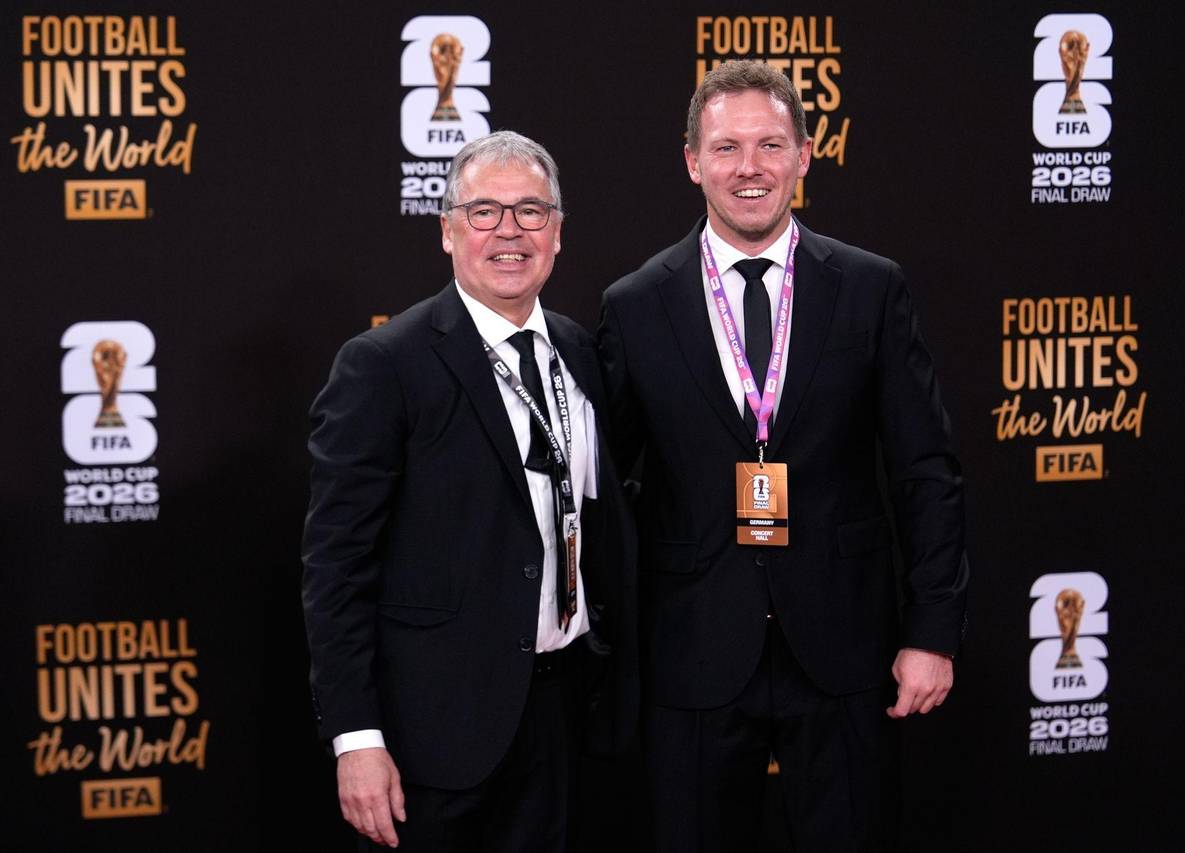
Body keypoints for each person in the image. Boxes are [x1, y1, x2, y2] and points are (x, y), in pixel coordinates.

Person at [596, 61, 969, 851]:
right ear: (693, 161)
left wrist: (933, 629)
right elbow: (607, 489)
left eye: (770, 145)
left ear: (805, 153)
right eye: (726, 148)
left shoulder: (870, 289)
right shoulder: (634, 305)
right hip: (692, 653)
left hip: (845, 649)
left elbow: (925, 471)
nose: (750, 168)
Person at [302, 130, 636, 852]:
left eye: (531, 211)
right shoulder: (383, 364)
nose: (509, 232)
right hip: (435, 735)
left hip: (566, 714)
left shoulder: (580, 352)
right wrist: (356, 737)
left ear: (558, 233)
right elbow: (337, 569)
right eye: (484, 211)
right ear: (448, 231)